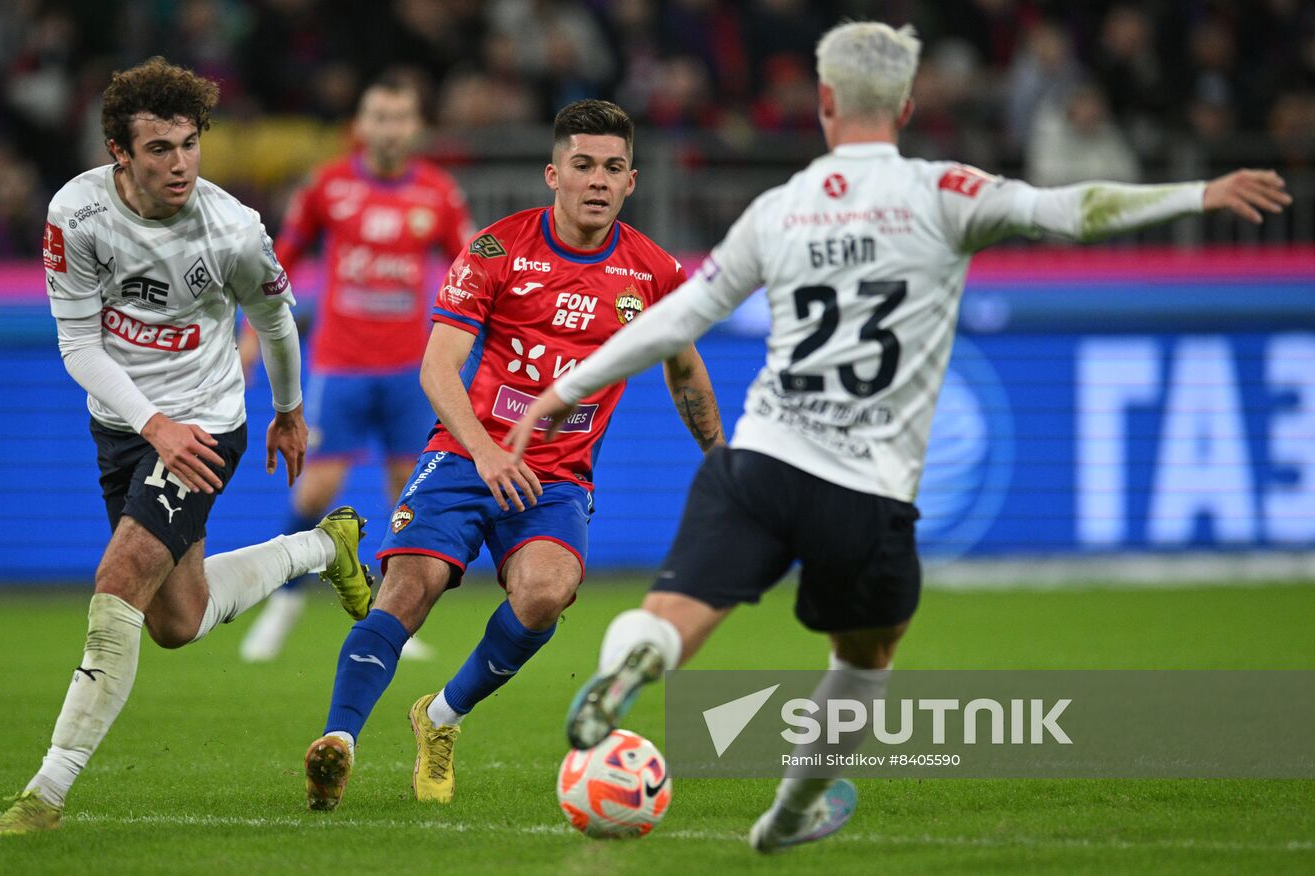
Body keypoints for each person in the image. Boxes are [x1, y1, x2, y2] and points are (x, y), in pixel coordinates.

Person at [507, 21, 1291, 854]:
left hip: (758, 459)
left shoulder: (781, 207)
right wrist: (1194, 193)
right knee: (868, 655)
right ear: (910, 105)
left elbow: (680, 319)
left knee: (671, 613)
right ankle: (790, 811)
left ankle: (635, 662)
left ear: (824, 104)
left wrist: (561, 388)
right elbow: (1072, 211)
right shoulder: (944, 190)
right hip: (865, 485)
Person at [0, 57, 376, 836]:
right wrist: (145, 421)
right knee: (177, 619)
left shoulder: (232, 229)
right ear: (117, 152)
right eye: (159, 147)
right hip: (122, 424)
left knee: (120, 576)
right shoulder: (77, 213)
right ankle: (323, 549)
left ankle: (46, 793)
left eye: (190, 143)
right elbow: (78, 344)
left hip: (203, 423)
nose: (180, 163)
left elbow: (274, 323)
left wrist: (289, 412)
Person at [302, 99, 725, 811]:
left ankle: (439, 719)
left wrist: (721, 457)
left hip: (558, 477)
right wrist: (488, 452)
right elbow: (438, 371)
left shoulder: (653, 274)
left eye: (612, 168)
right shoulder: (498, 251)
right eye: (583, 165)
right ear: (553, 173)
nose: (597, 179)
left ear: (631, 183)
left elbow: (684, 370)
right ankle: (337, 744)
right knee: (410, 591)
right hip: (469, 457)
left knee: (545, 594)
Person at [237, 74, 473, 663]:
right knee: (316, 488)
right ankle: (282, 606)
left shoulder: (438, 194)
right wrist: (247, 346)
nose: (390, 128)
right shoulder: (329, 187)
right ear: (361, 126)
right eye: (380, 116)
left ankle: (394, 619)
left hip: (408, 372)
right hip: (340, 367)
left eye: (400, 117)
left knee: (408, 494)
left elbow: (472, 276)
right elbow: (275, 266)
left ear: (414, 127)